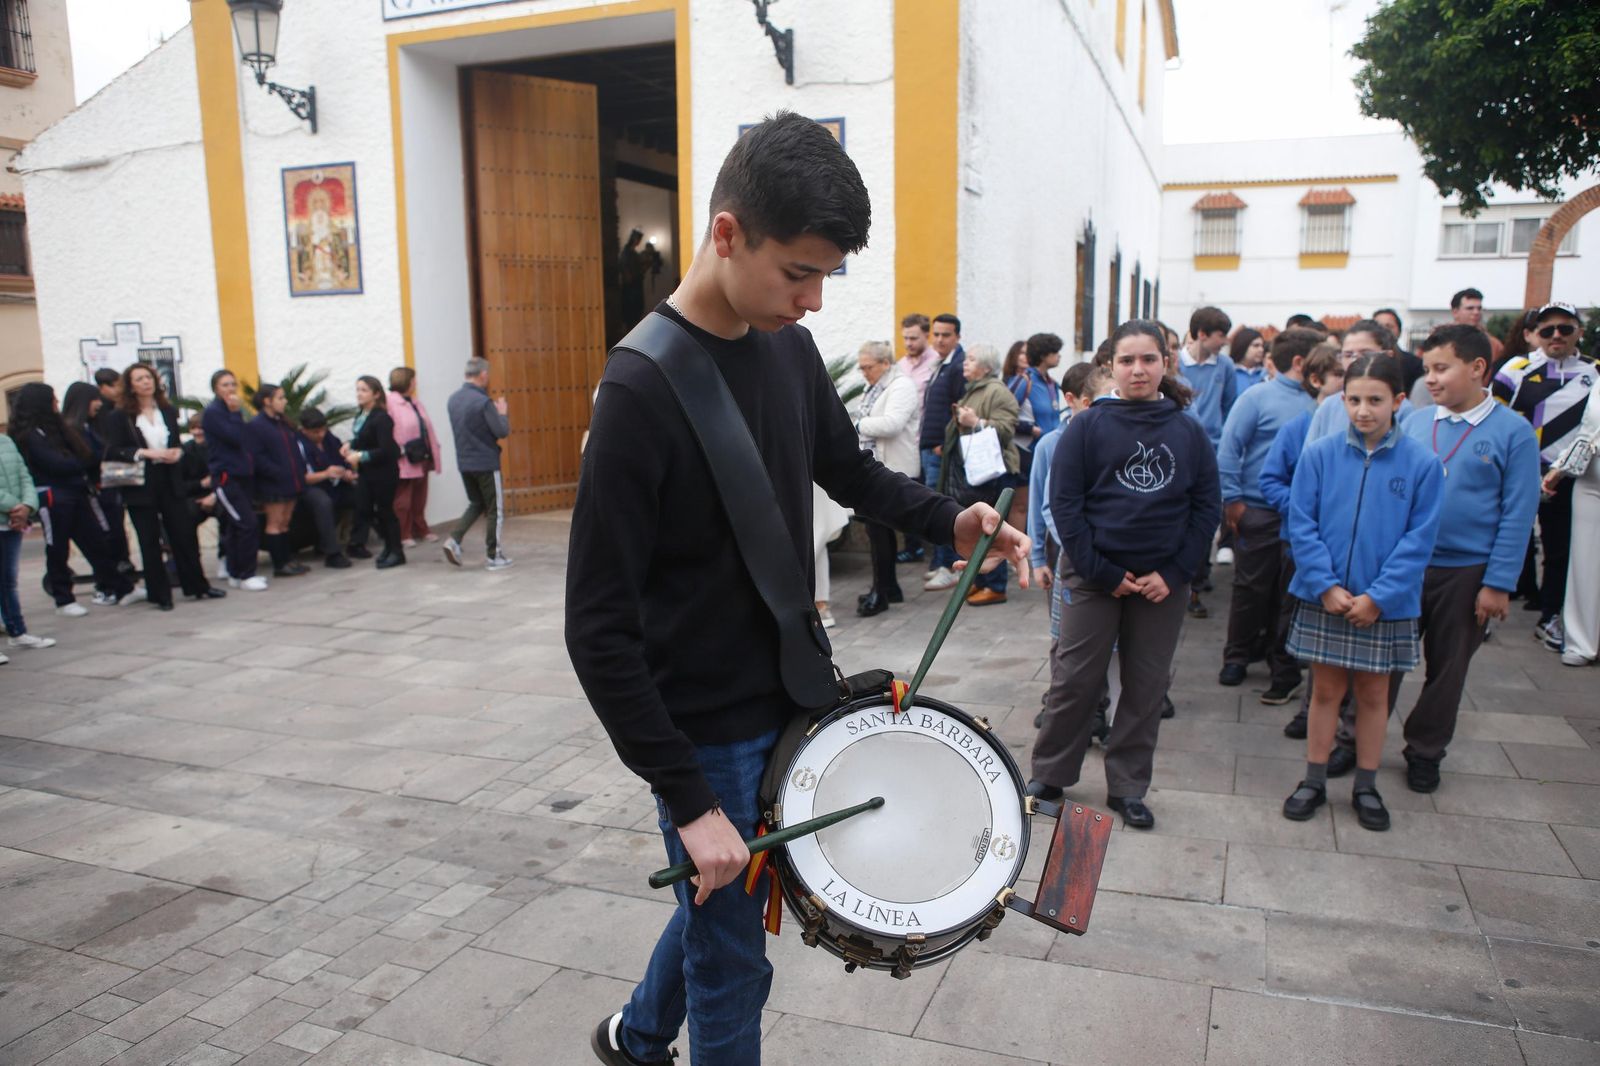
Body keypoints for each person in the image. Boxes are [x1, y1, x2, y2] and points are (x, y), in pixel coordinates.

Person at [567, 111, 1029, 1066]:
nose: (815, 301)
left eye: (828, 275)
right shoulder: (639, 392)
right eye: (798, 272)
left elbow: (846, 470)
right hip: (706, 727)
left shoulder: (783, 347)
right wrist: (689, 802)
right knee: (736, 954)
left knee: (725, 889)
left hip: (793, 684)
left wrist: (953, 519)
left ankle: (636, 1034)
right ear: (727, 233)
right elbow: (597, 630)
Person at [1028, 320, 1220, 830]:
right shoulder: (1087, 427)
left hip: (1162, 584)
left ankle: (1129, 786)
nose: (1139, 369)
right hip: (1094, 578)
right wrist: (1102, 571)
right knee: (1074, 679)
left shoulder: (1187, 431)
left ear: (1165, 364)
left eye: (1149, 360)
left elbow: (1206, 508)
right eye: (1128, 360)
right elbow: (1065, 506)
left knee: (1145, 686)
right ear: (1109, 365)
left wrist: (1176, 573)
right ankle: (1050, 774)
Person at [1281, 355, 1443, 831]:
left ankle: (1366, 784)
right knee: (1325, 691)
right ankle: (1313, 779)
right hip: (1324, 597)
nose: (1363, 410)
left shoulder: (1422, 463)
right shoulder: (1320, 454)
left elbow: (1420, 538)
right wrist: (1325, 585)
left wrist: (1380, 596)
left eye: (1375, 400)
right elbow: (1302, 521)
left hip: (1384, 604)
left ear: (1398, 401)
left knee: (1374, 696)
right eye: (1353, 399)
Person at [1395, 325, 1541, 791]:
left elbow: (1518, 513)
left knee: (1448, 668)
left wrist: (1497, 582)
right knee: (1384, 659)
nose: (1431, 380)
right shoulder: (1416, 422)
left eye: (1442, 368)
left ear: (1478, 368)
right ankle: (1353, 737)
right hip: (1408, 564)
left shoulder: (1513, 432)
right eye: (1427, 370)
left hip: (1466, 570)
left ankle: (1425, 749)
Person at [1216, 328, 1322, 700]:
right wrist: (1233, 500)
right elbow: (1230, 450)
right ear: (1300, 363)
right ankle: (1238, 655)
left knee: (1289, 594)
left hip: (1306, 518)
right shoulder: (1257, 397)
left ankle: (1284, 662)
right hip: (1258, 509)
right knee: (1250, 588)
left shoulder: (1324, 406)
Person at [1492, 302, 1594, 650]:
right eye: (1547, 329)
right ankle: (1491, 604)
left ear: (1579, 332)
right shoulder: (1515, 369)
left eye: (1564, 329)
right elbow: (1495, 417)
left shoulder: (1595, 372)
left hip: (1568, 475)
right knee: (1506, 538)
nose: (1555, 336)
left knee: (1560, 548)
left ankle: (1551, 615)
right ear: (1535, 333)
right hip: (1520, 472)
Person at [102, 364, 227, 610]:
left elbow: (176, 441)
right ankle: (160, 594)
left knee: (183, 534)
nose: (146, 382)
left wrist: (175, 452)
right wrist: (147, 452)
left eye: (148, 377)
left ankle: (197, 585)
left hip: (169, 478)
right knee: (149, 539)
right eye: (139, 379)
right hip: (141, 482)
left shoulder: (166, 410)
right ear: (130, 385)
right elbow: (114, 450)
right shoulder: (120, 416)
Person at [9, 383, 135, 615]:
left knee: (97, 542)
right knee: (57, 548)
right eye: (52, 400)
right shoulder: (30, 435)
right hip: (53, 497)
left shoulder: (58, 429)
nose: (56, 404)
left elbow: (87, 455)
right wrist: (82, 465)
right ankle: (63, 599)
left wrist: (82, 464)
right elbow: (56, 464)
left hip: (76, 493)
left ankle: (121, 586)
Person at [941, 343, 1021, 606]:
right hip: (977, 472)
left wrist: (976, 423)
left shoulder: (997, 392)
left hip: (994, 472)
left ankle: (995, 586)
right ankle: (983, 580)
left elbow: (1008, 430)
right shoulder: (974, 389)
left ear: (986, 367)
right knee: (981, 526)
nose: (965, 363)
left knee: (992, 528)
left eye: (972, 360)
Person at [852, 340, 921, 616]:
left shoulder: (901, 386)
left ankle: (881, 592)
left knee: (880, 531)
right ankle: (888, 587)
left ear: (884, 363)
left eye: (867, 367)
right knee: (878, 531)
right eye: (861, 368)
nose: (864, 373)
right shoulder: (876, 385)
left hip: (892, 468)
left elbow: (892, 424)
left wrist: (855, 425)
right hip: (876, 468)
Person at [1179, 306, 1238, 619]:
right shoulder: (1175, 363)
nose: (1224, 342)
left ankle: (1197, 586)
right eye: (1220, 336)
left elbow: (1229, 407)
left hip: (1212, 452)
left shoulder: (1224, 366)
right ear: (1202, 334)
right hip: (1180, 451)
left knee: (1206, 516)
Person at [1544, 371, 1600, 667]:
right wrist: (1559, 467)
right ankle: (1580, 642)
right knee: (1583, 561)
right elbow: (1588, 429)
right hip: (1590, 476)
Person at [443, 357, 513, 570]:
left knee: (476, 503)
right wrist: (502, 413)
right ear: (483, 375)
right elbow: (501, 431)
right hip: (486, 463)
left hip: (465, 462)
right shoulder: (483, 402)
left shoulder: (453, 399)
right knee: (495, 510)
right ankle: (494, 556)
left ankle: (454, 540)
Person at [202, 370, 267, 592]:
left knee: (236, 525)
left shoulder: (231, 411)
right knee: (246, 523)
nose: (230, 389)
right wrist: (234, 413)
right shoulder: (214, 413)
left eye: (233, 384)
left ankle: (236, 572)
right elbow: (234, 436)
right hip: (227, 477)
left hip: (242, 475)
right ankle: (245, 573)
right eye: (224, 385)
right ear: (216, 389)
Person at [919, 312, 966, 591]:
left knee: (942, 507)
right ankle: (939, 563)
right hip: (931, 447)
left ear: (957, 337)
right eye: (935, 334)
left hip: (941, 451)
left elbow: (959, 409)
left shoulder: (958, 366)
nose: (939, 339)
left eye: (945, 335)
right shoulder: (941, 364)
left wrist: (945, 445)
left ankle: (948, 566)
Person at [1306, 320, 1414, 441]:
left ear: (1388, 355)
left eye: (1365, 353)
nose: (1354, 361)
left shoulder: (1404, 411)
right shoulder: (1329, 407)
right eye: (1348, 355)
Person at [242, 383, 309, 579]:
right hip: (273, 482)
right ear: (267, 401)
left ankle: (288, 559)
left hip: (291, 480)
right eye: (280, 398)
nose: (284, 401)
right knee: (275, 522)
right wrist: (277, 472)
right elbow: (257, 456)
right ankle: (279, 563)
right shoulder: (256, 426)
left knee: (286, 522)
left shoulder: (283, 423)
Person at [0, 429, 56, 660]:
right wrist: (16, 507)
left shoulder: (5, 441)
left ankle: (18, 632)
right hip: (11, 515)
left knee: (8, 581)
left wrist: (27, 506)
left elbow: (25, 476)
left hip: (12, 523)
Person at [343, 375, 406, 569]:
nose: (359, 394)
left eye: (364, 390)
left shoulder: (382, 418)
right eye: (358, 390)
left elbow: (386, 450)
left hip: (383, 472)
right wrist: (350, 444)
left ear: (376, 394)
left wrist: (360, 456)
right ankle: (388, 547)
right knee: (365, 508)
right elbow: (363, 437)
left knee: (386, 511)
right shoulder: (361, 414)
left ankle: (396, 551)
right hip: (367, 472)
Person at [895, 312, 937, 563]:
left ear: (926, 335)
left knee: (927, 494)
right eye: (905, 338)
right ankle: (913, 546)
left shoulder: (935, 364)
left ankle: (932, 551)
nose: (909, 343)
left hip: (927, 442)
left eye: (914, 338)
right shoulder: (901, 365)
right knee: (908, 494)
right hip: (906, 443)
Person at [388, 366, 442, 548]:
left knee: (420, 496)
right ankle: (404, 533)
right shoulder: (391, 404)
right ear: (407, 381)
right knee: (403, 499)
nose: (416, 383)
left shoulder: (415, 402)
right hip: (405, 459)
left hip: (422, 456)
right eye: (414, 380)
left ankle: (421, 528)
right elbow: (390, 432)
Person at [294, 407, 353, 569]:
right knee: (323, 502)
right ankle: (332, 553)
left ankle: (356, 543)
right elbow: (302, 477)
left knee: (358, 494)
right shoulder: (298, 445)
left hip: (334, 482)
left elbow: (342, 458)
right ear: (303, 430)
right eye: (315, 432)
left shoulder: (329, 439)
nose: (320, 435)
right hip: (310, 486)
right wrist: (326, 473)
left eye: (323, 430)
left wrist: (347, 471)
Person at [91, 367, 133, 572]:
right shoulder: (104, 412)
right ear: (104, 387)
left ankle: (124, 558)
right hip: (110, 471)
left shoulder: (119, 407)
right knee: (114, 517)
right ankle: (120, 560)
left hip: (121, 469)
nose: (119, 390)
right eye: (116, 386)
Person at [1373, 307, 1426, 398]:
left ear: (1399, 331)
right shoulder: (1363, 359)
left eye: (1388, 326)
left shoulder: (1415, 364)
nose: (1383, 330)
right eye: (1378, 326)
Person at [1451, 287, 1505, 360]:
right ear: (1455, 312)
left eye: (1479, 308)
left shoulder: (1493, 345)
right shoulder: (1440, 342)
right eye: (1470, 308)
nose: (1476, 312)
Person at [619, 228, 647, 327]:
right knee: (631, 316)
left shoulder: (634, 253)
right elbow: (626, 271)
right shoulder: (626, 253)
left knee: (637, 314)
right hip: (630, 289)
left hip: (636, 287)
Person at [1231, 328, 1268, 393]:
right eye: (1256, 346)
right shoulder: (1230, 372)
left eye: (1262, 346)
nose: (1261, 350)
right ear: (1243, 346)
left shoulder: (1266, 373)